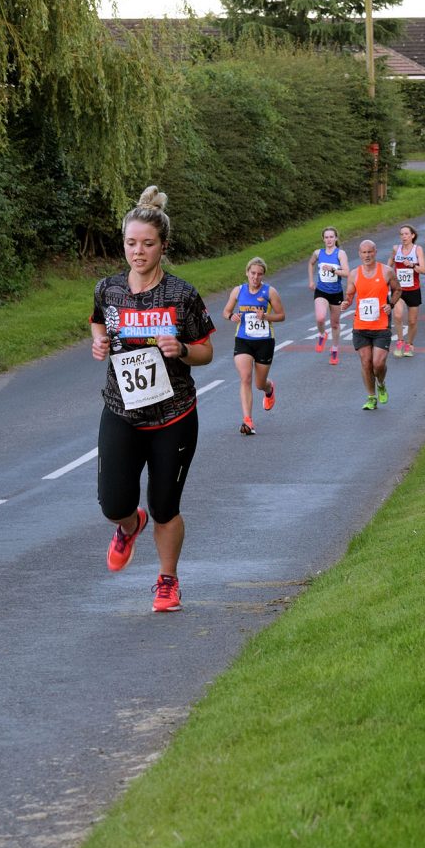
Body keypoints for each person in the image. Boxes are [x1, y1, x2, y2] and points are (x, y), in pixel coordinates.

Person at [90, 186, 215, 613]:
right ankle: (128, 527)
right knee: (113, 503)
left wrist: (181, 349)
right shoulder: (108, 290)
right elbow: (96, 323)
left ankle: (167, 581)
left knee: (165, 506)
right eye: (130, 243)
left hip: (173, 415)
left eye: (147, 244)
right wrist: (99, 343)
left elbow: (206, 351)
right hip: (121, 412)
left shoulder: (181, 295)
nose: (138, 252)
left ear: (163, 246)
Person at [222, 258, 286, 435]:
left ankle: (269, 388)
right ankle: (248, 421)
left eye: (259, 274)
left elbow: (281, 316)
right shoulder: (238, 291)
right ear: (247, 273)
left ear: (263, 275)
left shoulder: (270, 292)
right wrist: (231, 317)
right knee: (245, 377)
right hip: (243, 339)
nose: (255, 277)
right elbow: (226, 311)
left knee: (259, 384)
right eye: (253, 273)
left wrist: (266, 317)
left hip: (264, 341)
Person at [342, 239, 401, 410]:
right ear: (359, 254)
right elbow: (350, 294)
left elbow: (398, 289)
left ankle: (381, 383)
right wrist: (346, 302)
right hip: (360, 326)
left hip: (381, 325)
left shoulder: (386, 271)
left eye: (370, 252)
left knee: (378, 363)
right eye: (364, 252)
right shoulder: (354, 274)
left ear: (375, 252)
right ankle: (371, 397)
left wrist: (390, 304)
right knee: (366, 362)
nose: (367, 255)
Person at [307, 227, 350, 364]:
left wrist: (333, 269)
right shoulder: (318, 253)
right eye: (326, 237)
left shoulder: (340, 254)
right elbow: (310, 263)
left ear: (336, 238)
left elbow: (347, 272)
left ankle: (335, 349)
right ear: (323, 239)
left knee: (335, 324)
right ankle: (322, 334)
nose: (329, 240)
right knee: (320, 318)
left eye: (332, 237)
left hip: (336, 292)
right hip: (321, 290)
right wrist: (311, 280)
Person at [389, 224, 425, 357]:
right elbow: (389, 266)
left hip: (413, 289)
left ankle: (409, 344)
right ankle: (400, 341)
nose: (404, 236)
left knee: (412, 321)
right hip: (398, 289)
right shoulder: (396, 249)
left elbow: (423, 270)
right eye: (402, 234)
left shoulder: (418, 250)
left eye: (406, 234)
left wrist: (412, 265)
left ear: (412, 236)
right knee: (398, 315)